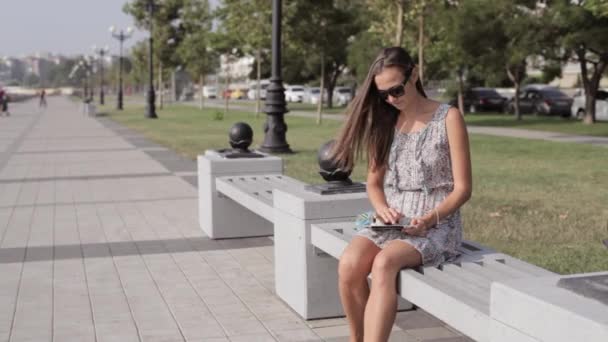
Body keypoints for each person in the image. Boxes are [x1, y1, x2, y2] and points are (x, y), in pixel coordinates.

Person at [330, 47, 472, 342]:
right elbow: (373, 183)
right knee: (349, 264)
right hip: (393, 220)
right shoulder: (385, 122)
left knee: (384, 264)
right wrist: (381, 208)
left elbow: (463, 189)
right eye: (384, 94)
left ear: (414, 74)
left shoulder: (449, 117)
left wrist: (431, 218)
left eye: (396, 89)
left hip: (437, 223)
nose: (391, 99)